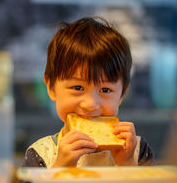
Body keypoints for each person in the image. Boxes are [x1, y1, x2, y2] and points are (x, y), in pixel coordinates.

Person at [22, 17, 153, 168]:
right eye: (78, 88)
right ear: (51, 88)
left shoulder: (137, 150)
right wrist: (61, 167)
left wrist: (126, 163)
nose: (90, 104)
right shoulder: (40, 155)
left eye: (105, 90)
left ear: (121, 95)